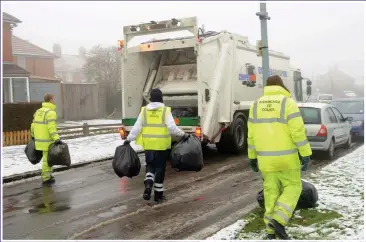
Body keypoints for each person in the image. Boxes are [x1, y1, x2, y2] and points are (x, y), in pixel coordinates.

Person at [247, 75, 312, 240]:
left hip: (266, 161)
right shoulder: (288, 103)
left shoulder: (255, 105)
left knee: (271, 193)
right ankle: (279, 220)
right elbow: (297, 132)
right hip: (287, 159)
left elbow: (251, 136)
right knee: (293, 187)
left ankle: (270, 231)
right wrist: (305, 153)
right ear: (281, 85)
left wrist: (252, 157)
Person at [125, 88, 189, 203]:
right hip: (161, 146)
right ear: (161, 98)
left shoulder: (144, 111)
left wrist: (129, 139)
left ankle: (148, 183)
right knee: (160, 169)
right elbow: (172, 128)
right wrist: (183, 135)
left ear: (150, 98)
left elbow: (137, 127)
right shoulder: (165, 111)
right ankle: (158, 195)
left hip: (149, 145)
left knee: (150, 166)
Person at [31, 93, 62, 186]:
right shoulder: (50, 113)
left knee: (48, 159)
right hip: (47, 141)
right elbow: (51, 128)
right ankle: (46, 178)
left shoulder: (38, 111)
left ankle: (48, 175)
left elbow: (33, 125)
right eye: (53, 99)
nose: (54, 101)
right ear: (51, 100)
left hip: (39, 140)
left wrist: (33, 136)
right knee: (47, 160)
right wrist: (56, 138)